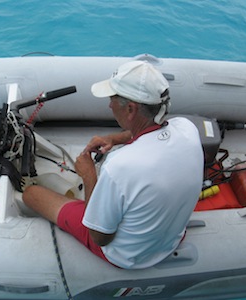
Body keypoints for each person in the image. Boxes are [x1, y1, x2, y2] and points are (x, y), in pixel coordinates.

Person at [23, 61, 204, 269]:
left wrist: (89, 177)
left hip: (124, 255)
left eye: (112, 99)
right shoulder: (187, 129)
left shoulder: (120, 166)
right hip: (171, 240)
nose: (109, 105)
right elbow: (150, 131)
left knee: (32, 194)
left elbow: (99, 236)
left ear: (130, 109)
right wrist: (115, 139)